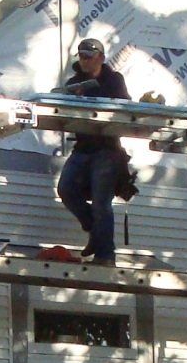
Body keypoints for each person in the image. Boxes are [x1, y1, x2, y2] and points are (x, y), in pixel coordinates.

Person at [55, 37, 131, 265]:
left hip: (107, 148)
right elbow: (62, 110)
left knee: (101, 203)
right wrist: (71, 98)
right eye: (81, 56)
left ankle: (105, 255)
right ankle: (96, 232)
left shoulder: (114, 80)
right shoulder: (74, 82)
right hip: (83, 146)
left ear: (101, 57)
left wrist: (92, 98)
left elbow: (124, 106)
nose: (84, 60)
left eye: (89, 56)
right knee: (66, 189)